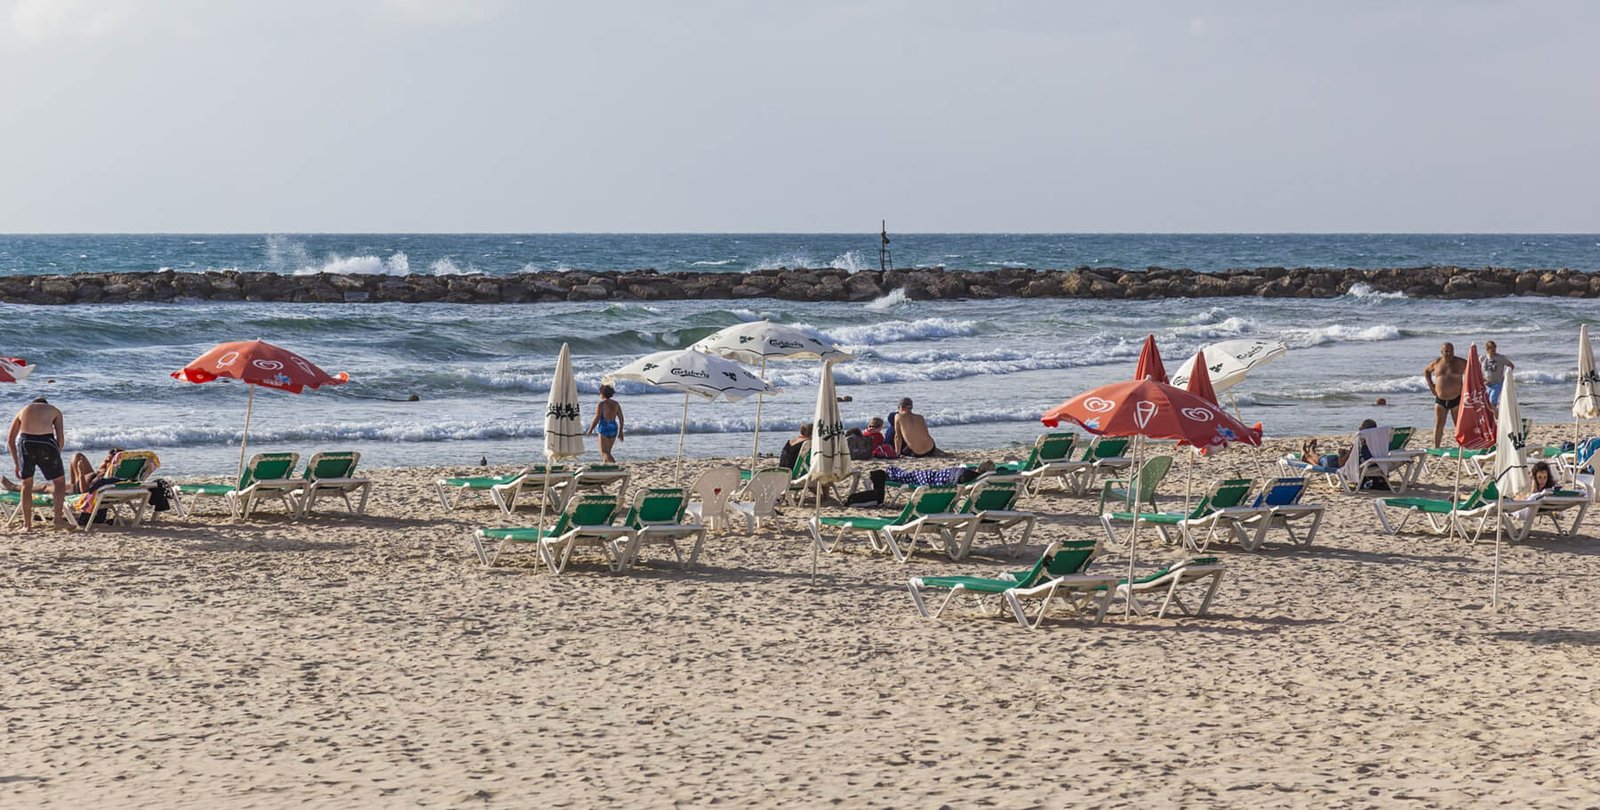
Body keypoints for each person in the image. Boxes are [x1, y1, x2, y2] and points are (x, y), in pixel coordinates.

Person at [6, 396, 68, 531]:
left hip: (25, 442)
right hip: (46, 442)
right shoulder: (55, 410)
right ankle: (58, 520)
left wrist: (17, 463)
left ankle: (27, 525)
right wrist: (56, 457)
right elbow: (60, 439)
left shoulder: (23, 410)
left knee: (26, 484)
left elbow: (10, 440)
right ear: (46, 404)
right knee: (59, 481)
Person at [846, 461, 996, 506]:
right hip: (937, 478)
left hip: (931, 479)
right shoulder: (973, 479)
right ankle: (879, 477)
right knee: (906, 476)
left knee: (906, 476)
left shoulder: (966, 475)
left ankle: (879, 477)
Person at [1424, 343, 1468, 448]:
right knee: (1439, 424)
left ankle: (1461, 446)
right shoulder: (1436, 363)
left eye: (1451, 351)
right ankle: (1436, 446)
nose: (1449, 353)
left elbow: (1473, 370)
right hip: (1440, 399)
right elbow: (1426, 371)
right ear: (1442, 352)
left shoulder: (1461, 362)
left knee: (1458, 425)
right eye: (1446, 351)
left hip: (1456, 398)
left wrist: (1467, 388)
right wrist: (1431, 386)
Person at [585, 384, 624, 463]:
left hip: (604, 427)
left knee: (604, 452)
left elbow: (597, 418)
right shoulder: (616, 404)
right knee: (608, 452)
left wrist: (591, 429)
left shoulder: (601, 404)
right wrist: (620, 431)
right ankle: (608, 467)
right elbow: (621, 418)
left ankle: (613, 465)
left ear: (602, 393)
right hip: (613, 427)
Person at [1482, 340, 1515, 407]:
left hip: (1497, 383)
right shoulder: (1482, 358)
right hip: (1487, 384)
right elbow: (1478, 369)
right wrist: (1482, 379)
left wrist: (1507, 376)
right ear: (1487, 349)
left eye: (1494, 348)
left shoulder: (1500, 358)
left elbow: (1511, 365)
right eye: (1492, 348)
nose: (1494, 350)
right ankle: (1492, 415)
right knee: (1486, 402)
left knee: (1492, 400)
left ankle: (1494, 415)